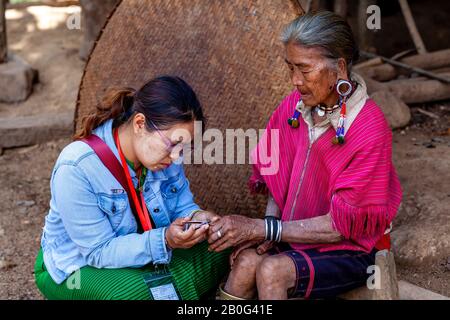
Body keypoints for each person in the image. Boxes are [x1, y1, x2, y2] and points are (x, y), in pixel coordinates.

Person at [209, 11, 402, 300]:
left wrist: (266, 229)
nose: (295, 81)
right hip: (293, 236)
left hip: (353, 249)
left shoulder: (368, 129)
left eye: (304, 69)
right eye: (290, 68)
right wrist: (267, 231)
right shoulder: (293, 109)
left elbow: (341, 228)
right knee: (247, 262)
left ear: (338, 67)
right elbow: (277, 178)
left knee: (272, 271)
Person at [34, 76, 230, 300]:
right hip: (76, 267)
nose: (177, 155)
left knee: (223, 246)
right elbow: (98, 251)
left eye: (184, 147)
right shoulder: (77, 166)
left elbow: (182, 207)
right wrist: (165, 239)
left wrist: (199, 218)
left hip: (142, 251)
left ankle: (167, 287)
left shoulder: (164, 157)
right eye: (173, 144)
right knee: (130, 295)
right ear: (139, 124)